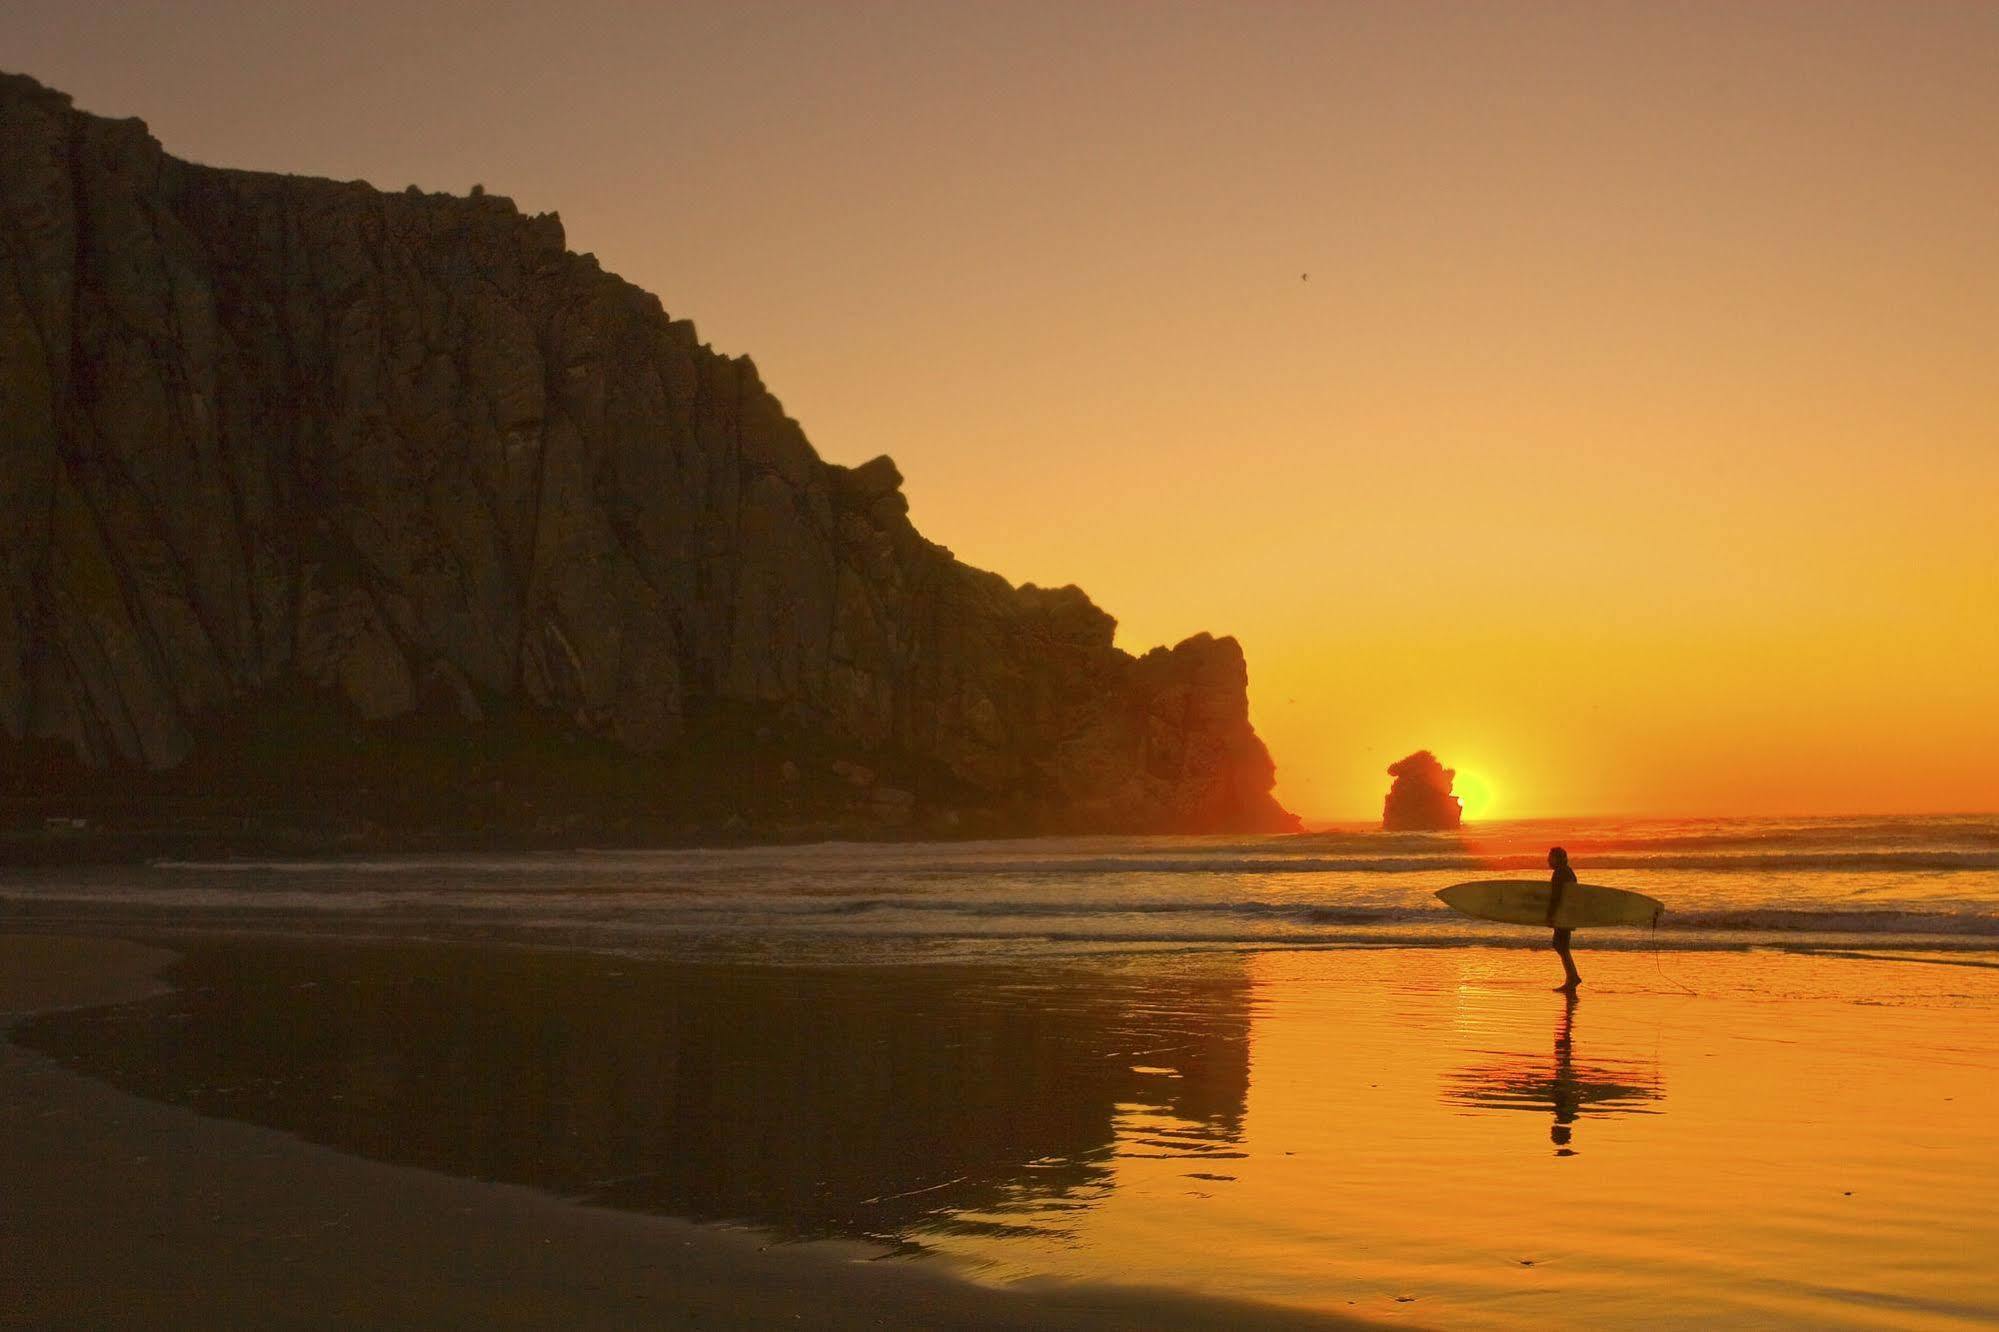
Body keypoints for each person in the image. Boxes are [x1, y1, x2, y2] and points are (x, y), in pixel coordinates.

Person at [1547, 846, 1581, 993]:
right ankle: (1572, 977)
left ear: (1557, 858)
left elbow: (1556, 897)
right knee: (1561, 945)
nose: (1548, 860)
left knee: (1560, 945)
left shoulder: (1559, 873)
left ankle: (1572, 977)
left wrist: (1550, 915)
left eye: (1551, 857)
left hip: (1563, 915)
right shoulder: (1569, 871)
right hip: (1568, 914)